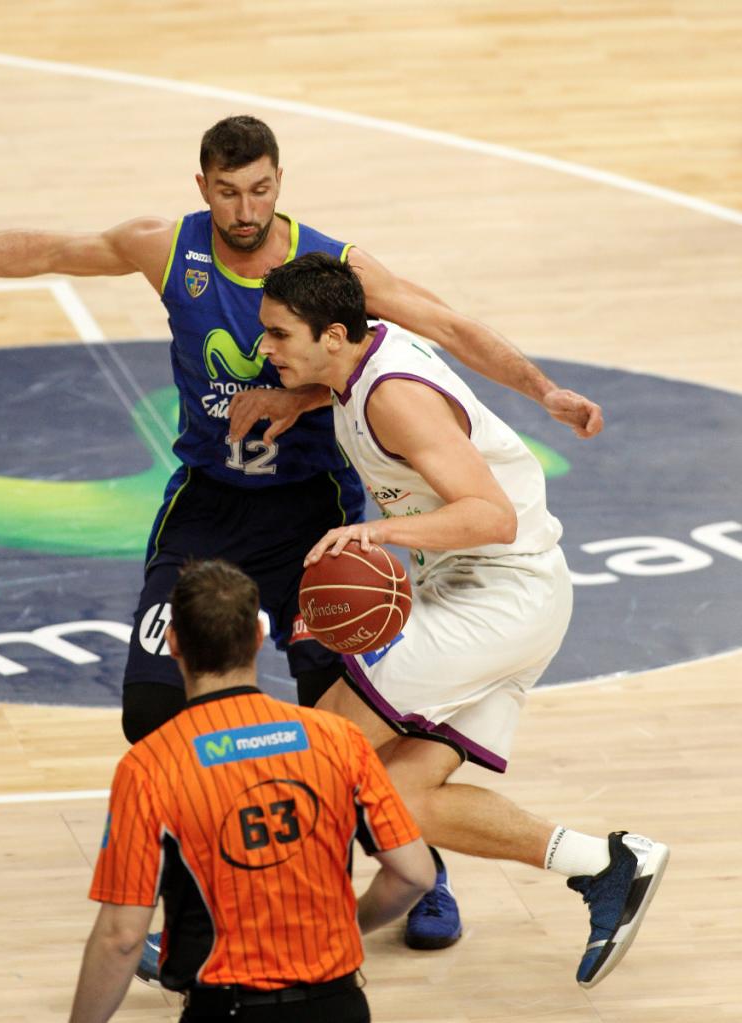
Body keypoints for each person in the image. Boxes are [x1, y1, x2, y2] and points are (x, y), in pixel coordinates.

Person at [0, 114, 602, 950]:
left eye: (261, 189)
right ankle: (196, 898)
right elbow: (40, 253)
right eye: (228, 191)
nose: (245, 208)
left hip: (320, 512)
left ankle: (417, 873)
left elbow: (439, 326)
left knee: (347, 718)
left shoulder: (328, 270)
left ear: (281, 182)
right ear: (202, 187)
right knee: (155, 706)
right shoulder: (165, 248)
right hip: (209, 502)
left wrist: (544, 388)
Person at [257, 252, 670, 989]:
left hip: (496, 596)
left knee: (313, 755)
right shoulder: (359, 363)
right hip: (516, 597)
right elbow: (435, 351)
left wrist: (373, 534)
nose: (266, 349)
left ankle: (264, 939)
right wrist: (302, 398)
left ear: (334, 334)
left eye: (279, 335)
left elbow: (489, 513)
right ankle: (606, 862)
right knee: (402, 799)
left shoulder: (393, 398)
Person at [68, 559, 435, 1023]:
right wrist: (349, 926)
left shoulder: (150, 766)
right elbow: (415, 875)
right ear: (258, 640)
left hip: (227, 1009)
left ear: (173, 642)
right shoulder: (338, 739)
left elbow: (121, 937)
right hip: (339, 1004)